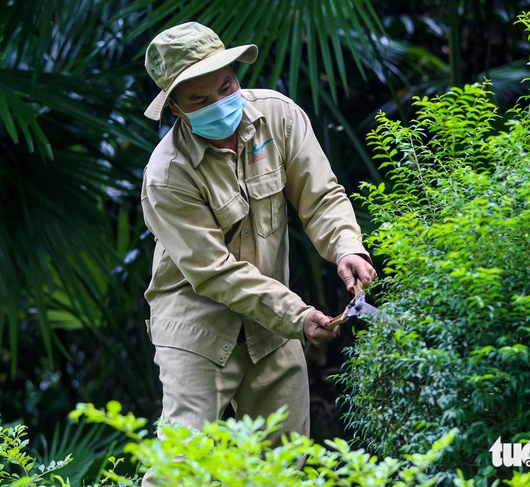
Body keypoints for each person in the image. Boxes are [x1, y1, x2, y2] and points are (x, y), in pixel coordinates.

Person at [139, 21, 376, 481]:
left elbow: (322, 197)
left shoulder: (279, 116)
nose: (220, 103)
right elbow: (214, 273)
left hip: (274, 328)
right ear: (174, 108)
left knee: (284, 464)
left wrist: (347, 248)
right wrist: (298, 315)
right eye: (199, 100)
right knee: (179, 469)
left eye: (226, 86)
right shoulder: (167, 175)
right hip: (197, 327)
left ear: (234, 72)